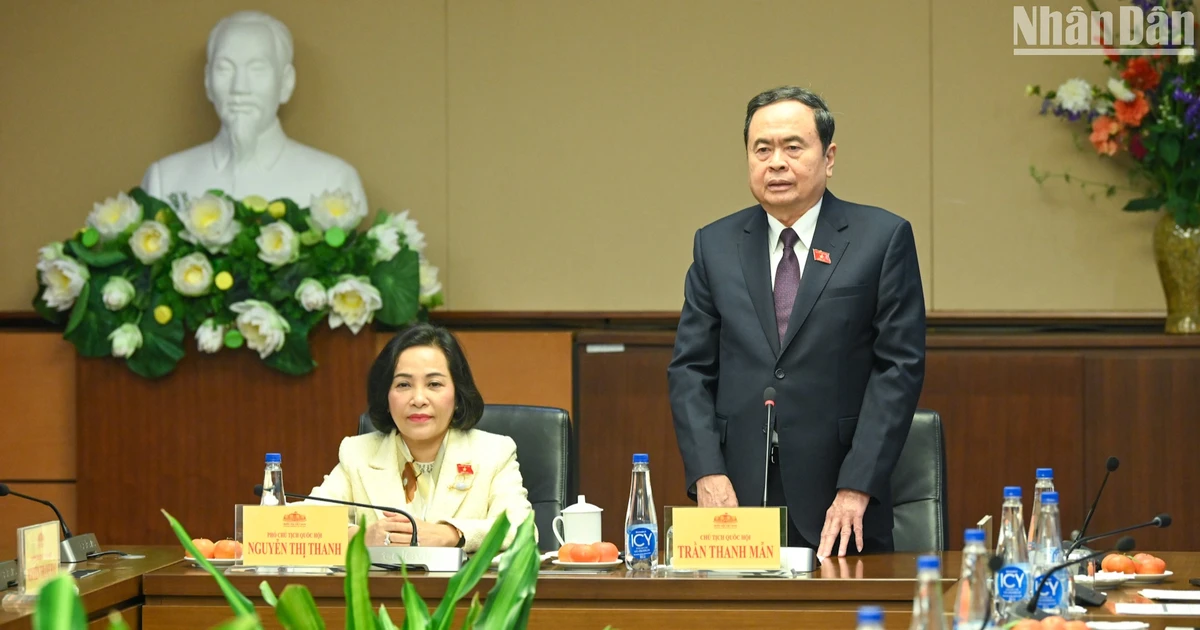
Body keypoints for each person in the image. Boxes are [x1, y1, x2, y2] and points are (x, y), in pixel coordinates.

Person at [667, 86, 926, 559]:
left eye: (792, 147)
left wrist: (857, 486)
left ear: (828, 158)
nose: (776, 162)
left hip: (841, 496)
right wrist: (707, 472)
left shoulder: (881, 238)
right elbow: (690, 370)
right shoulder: (715, 245)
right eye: (761, 149)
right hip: (737, 498)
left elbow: (898, 370)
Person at [305, 323, 534, 551]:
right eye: (403, 384)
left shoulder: (493, 452)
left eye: (434, 384)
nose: (418, 399)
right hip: (381, 587)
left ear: (457, 394)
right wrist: (362, 537)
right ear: (386, 397)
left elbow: (522, 529)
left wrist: (451, 534)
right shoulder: (358, 453)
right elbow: (304, 525)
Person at [141, 10, 367, 212]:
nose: (239, 87)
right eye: (225, 68)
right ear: (208, 82)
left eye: (257, 69)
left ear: (285, 83)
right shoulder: (164, 180)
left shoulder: (333, 182)